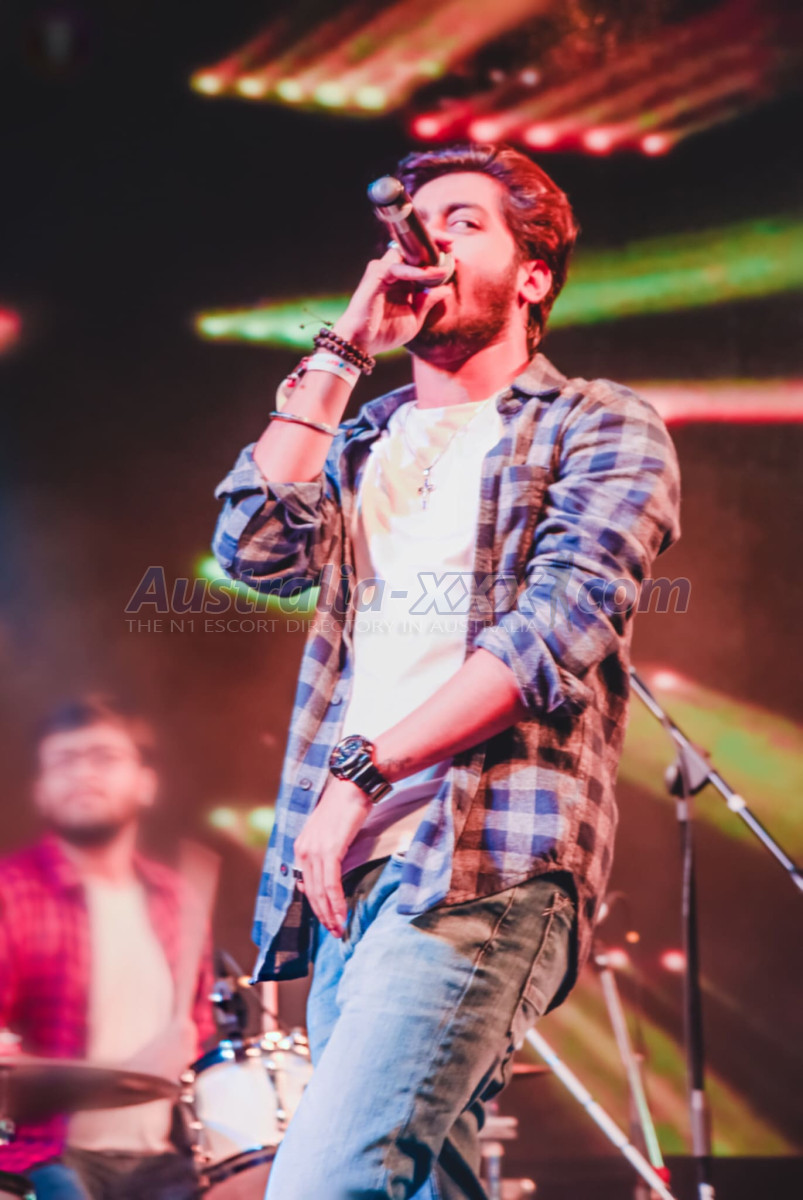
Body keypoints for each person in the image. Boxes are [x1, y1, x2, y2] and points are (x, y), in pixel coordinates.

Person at [212, 142, 682, 1199]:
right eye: (415, 224)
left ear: (532, 276)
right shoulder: (362, 441)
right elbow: (251, 547)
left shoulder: (596, 422)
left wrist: (363, 770)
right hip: (348, 878)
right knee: (425, 1183)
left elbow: (556, 630)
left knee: (324, 1182)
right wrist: (343, 349)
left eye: (463, 222)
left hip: (484, 856)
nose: (425, 240)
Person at [0, 696, 215, 1200]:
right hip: (45, 1155)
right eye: (64, 761)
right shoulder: (11, 892)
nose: (83, 774)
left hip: (162, 1158)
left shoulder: (178, 899)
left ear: (146, 782)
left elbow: (200, 1035)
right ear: (40, 790)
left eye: (104, 757)